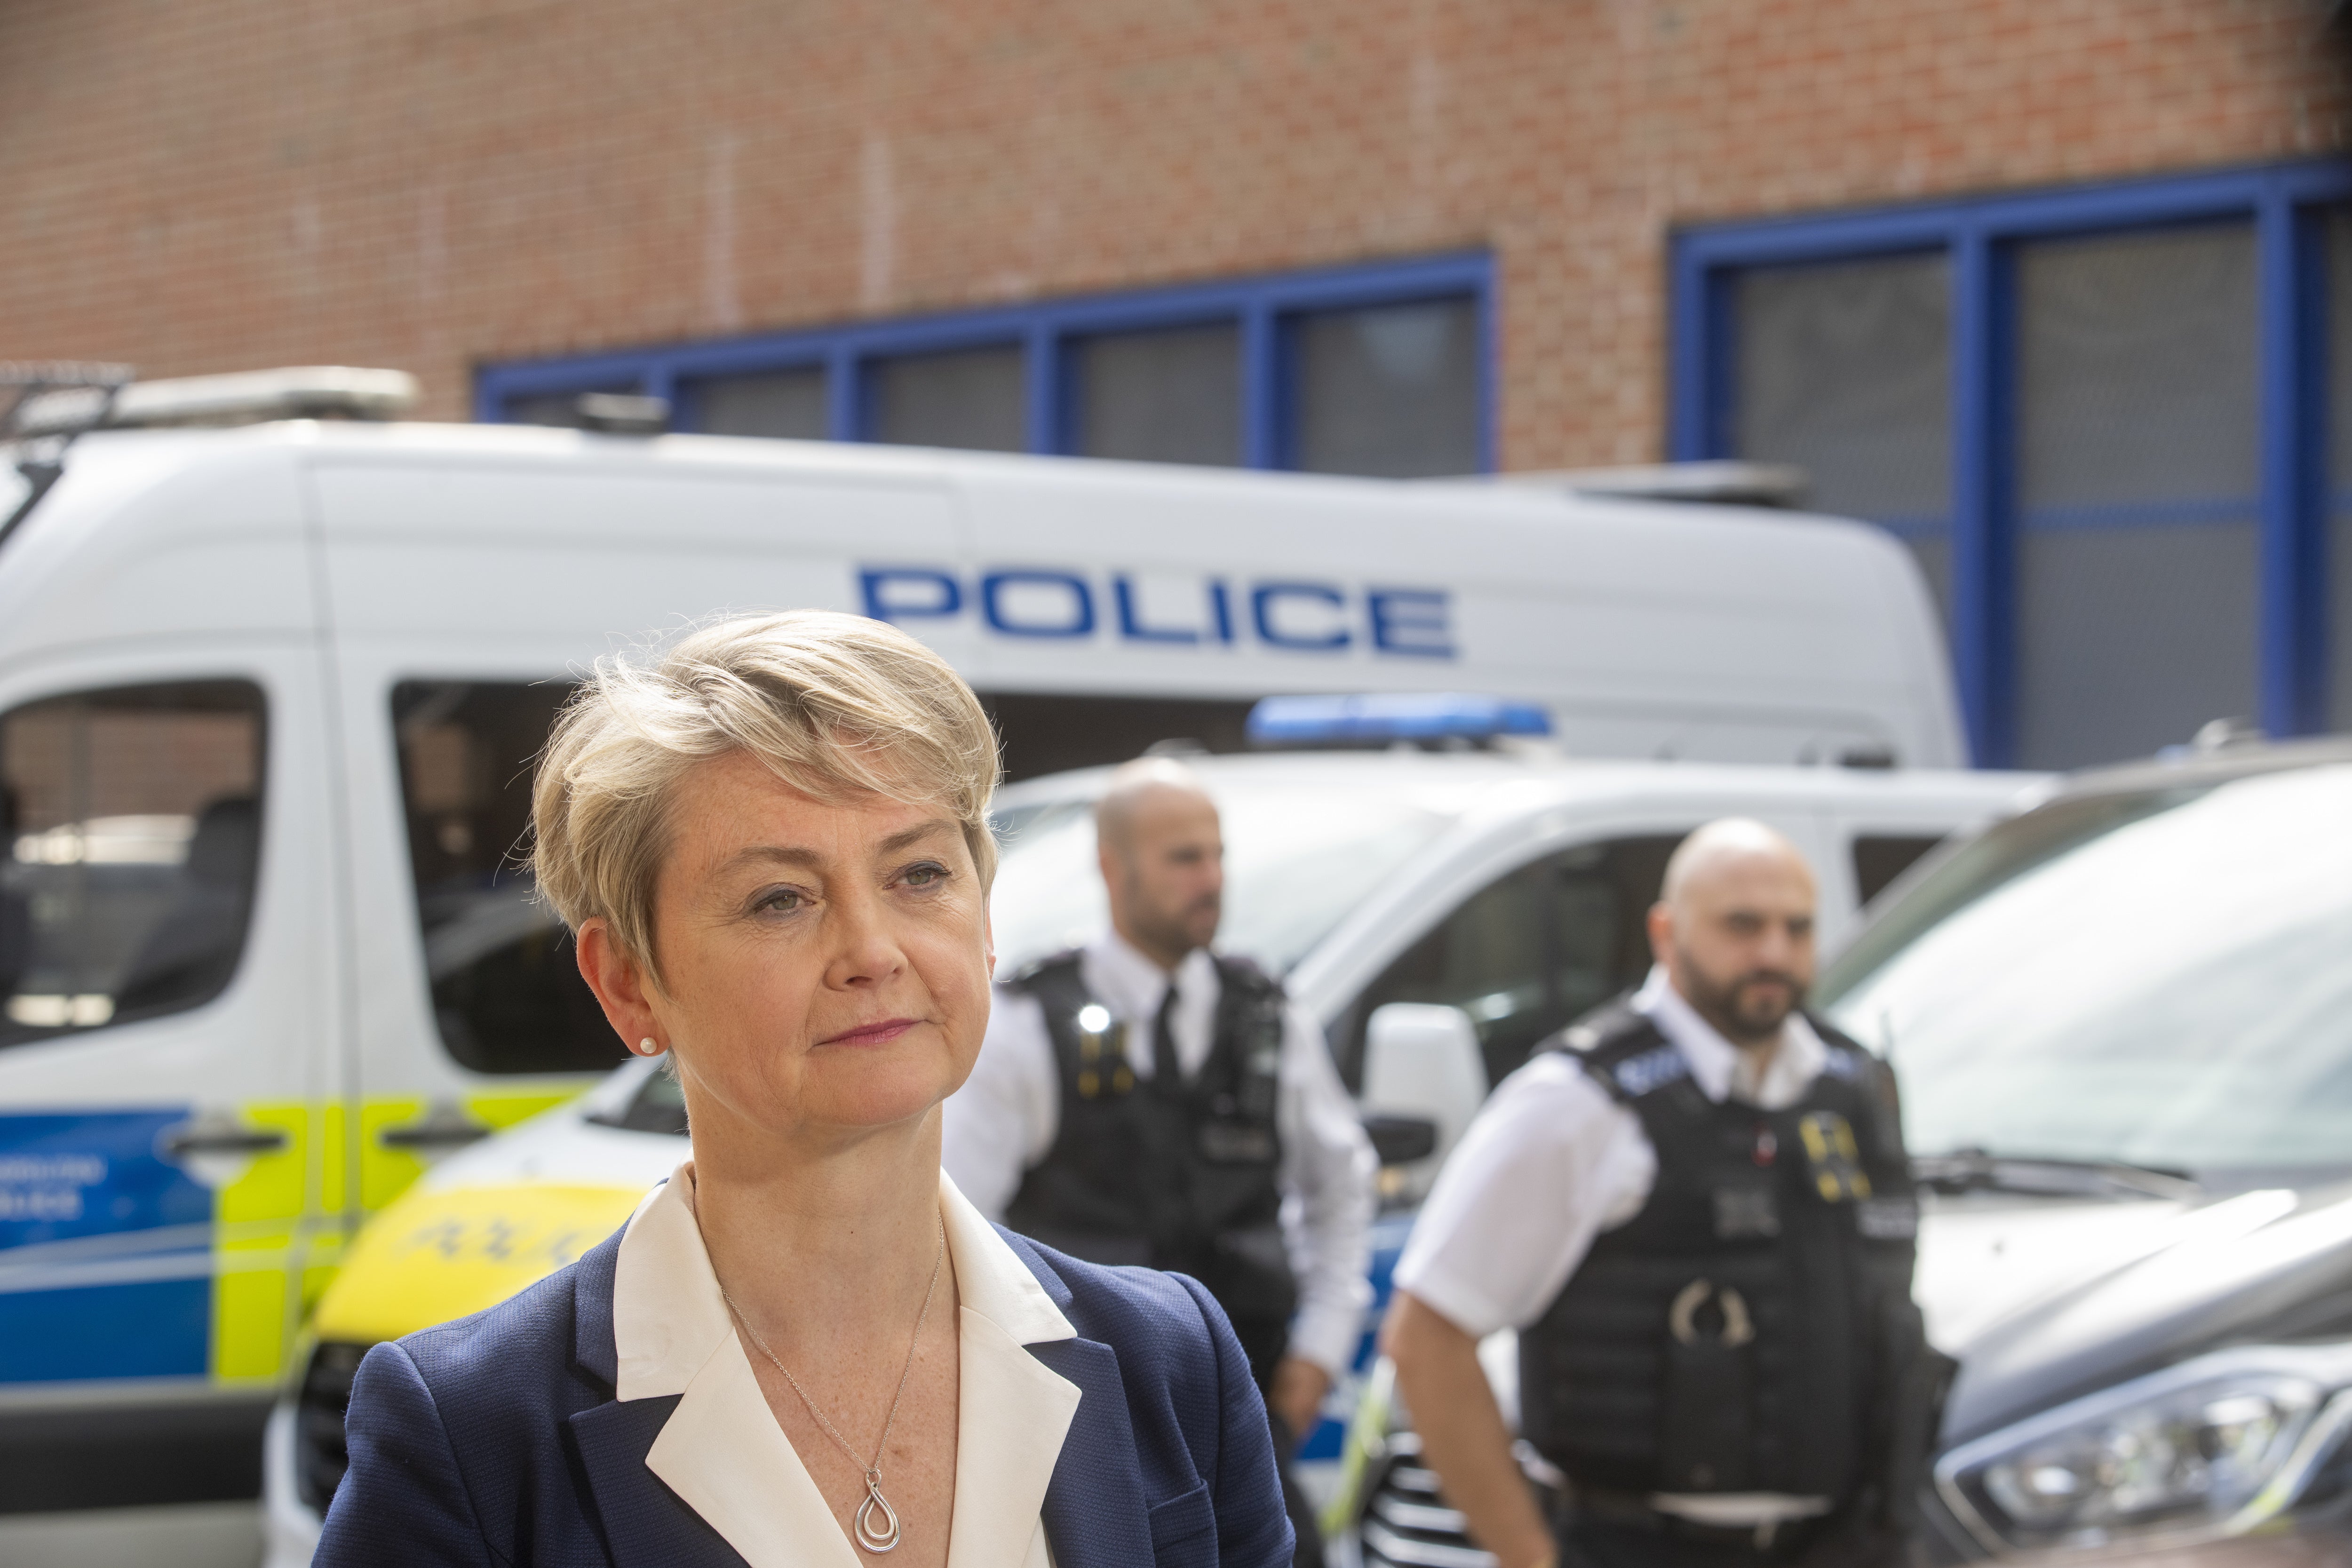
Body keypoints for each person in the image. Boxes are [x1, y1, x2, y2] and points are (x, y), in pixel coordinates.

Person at [315, 612, 1293, 1568]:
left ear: (985, 920)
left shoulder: (1175, 1365)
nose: (872, 950)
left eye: (917, 873)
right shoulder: (472, 1433)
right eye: (780, 897)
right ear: (627, 981)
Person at [1384, 820, 1934, 1568]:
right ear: (1666, 932)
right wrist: (1530, 1555)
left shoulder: (1853, 1090)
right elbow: (1427, 1338)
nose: (1773, 952)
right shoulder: (1579, 1100)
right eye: (1743, 924)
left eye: (1796, 927)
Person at [944, 758, 1377, 1568]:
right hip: (1075, 1429)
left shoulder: (1269, 1018)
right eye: (1184, 858)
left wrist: (1319, 1348)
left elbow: (1342, 1185)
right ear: (1115, 867)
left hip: (1242, 1417)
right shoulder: (1029, 1025)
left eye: (1217, 855)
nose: (1211, 879)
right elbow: (956, 1225)